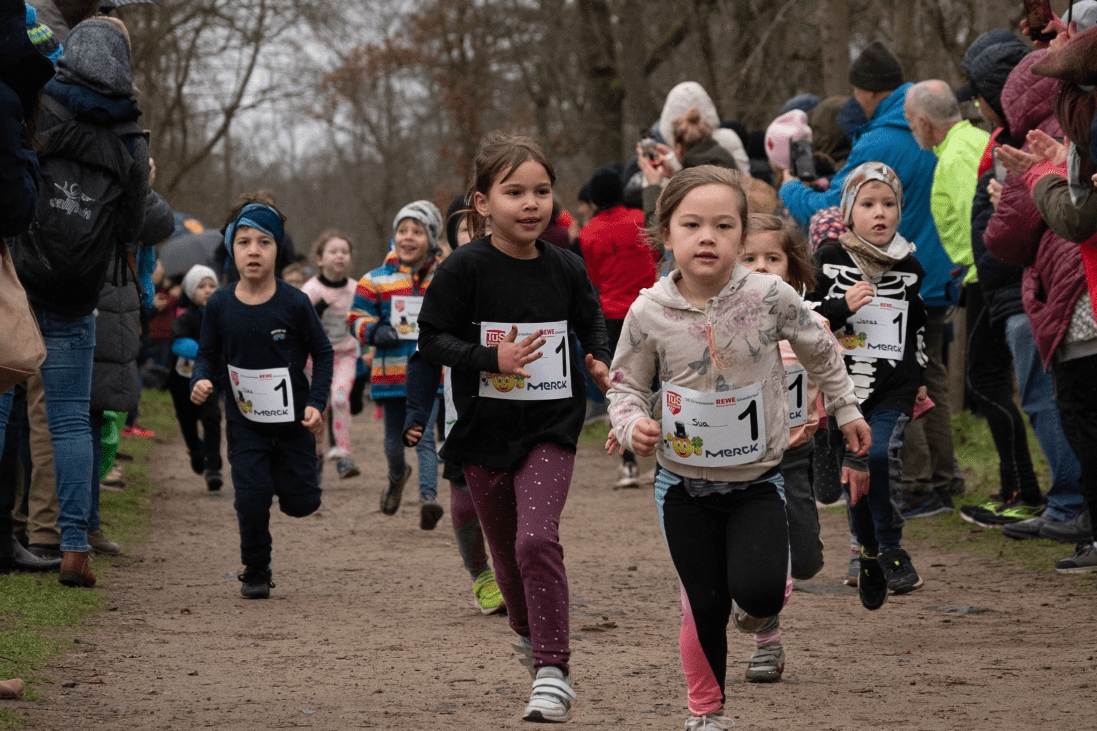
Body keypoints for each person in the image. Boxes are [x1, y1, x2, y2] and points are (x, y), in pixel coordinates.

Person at [605, 165, 867, 730]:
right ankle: (706, 712)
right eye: (692, 225)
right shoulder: (648, 312)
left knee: (760, 590)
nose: (707, 237)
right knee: (702, 602)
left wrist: (845, 407)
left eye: (723, 226)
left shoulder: (768, 295)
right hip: (682, 485)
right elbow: (625, 388)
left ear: (743, 236)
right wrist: (632, 427)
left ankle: (759, 606)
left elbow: (821, 346)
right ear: (666, 233)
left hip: (757, 481)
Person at [417, 131, 612, 723]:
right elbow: (431, 341)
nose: (531, 204)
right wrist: (489, 358)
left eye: (542, 191)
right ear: (481, 203)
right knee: (505, 555)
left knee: (536, 539)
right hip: (483, 431)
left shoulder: (566, 266)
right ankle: (532, 639)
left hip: (552, 424)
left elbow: (591, 320)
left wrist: (599, 358)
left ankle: (553, 668)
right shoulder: (463, 269)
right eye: (514, 192)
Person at [781, 43, 963, 521]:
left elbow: (829, 210)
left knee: (893, 373)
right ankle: (944, 480)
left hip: (885, 276)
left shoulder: (879, 141)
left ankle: (918, 484)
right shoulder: (928, 128)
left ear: (864, 92)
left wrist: (789, 187)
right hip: (933, 270)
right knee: (929, 381)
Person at [2, 16, 150, 588]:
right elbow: (132, 224)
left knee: (1, 404)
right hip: (78, 291)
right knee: (68, 421)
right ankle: (73, 549)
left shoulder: (42, 101)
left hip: (21, 273)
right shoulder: (131, 133)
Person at [966, 45, 1088, 536]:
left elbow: (1008, 234)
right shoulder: (1058, 129)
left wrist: (1026, 184)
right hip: (1039, 288)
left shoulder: (1040, 134)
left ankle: (1070, 507)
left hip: (1045, 291)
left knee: (1056, 402)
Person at [990, 20, 1097, 573]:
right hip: (1075, 287)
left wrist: (1039, 179)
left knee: (1077, 411)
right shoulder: (1072, 132)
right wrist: (1057, 164)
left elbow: (1067, 218)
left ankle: (1078, 514)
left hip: (1078, 297)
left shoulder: (1086, 122)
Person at [190, 203, 333, 598]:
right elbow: (206, 355)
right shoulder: (219, 305)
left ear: (277, 251)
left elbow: (323, 353)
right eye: (244, 242)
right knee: (251, 499)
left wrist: (315, 403)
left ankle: (295, 479)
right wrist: (201, 380)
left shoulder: (294, 303)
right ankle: (255, 568)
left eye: (264, 242)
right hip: (245, 421)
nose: (253, 250)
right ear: (232, 250)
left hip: (293, 425)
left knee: (302, 504)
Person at [807, 162, 931, 606]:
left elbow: (918, 325)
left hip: (893, 385)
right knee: (853, 474)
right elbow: (808, 319)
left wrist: (919, 376)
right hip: (842, 389)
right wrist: (842, 305)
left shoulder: (911, 265)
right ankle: (866, 551)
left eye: (888, 203)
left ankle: (893, 546)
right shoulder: (826, 259)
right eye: (868, 204)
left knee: (878, 453)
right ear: (848, 210)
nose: (879, 213)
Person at [347, 200, 445, 529]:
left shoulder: (445, 278)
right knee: (394, 440)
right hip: (390, 374)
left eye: (417, 231)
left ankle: (428, 499)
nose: (407, 237)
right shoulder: (374, 280)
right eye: (402, 230)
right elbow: (356, 318)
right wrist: (375, 331)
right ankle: (397, 474)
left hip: (430, 372)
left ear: (431, 238)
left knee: (426, 437)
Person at [579, 163, 658, 487]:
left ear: (595, 199)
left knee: (621, 384)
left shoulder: (589, 232)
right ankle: (664, 455)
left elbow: (595, 277)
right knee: (658, 381)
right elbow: (656, 254)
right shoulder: (641, 219)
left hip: (613, 315)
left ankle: (628, 463)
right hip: (650, 308)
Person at [301, 229, 360, 479]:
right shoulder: (310, 289)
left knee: (338, 398)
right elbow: (299, 323)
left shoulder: (356, 289)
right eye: (333, 251)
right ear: (320, 259)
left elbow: (364, 320)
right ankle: (316, 455)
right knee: (319, 409)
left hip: (345, 355)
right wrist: (319, 307)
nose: (340, 256)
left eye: (344, 252)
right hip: (315, 358)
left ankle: (343, 454)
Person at [168, 265, 223, 491]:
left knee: (212, 418)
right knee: (188, 422)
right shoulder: (185, 318)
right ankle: (195, 449)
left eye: (212, 285)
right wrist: (204, 351)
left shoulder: (222, 318)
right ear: (191, 291)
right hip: (182, 381)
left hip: (209, 381)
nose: (208, 290)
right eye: (202, 286)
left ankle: (213, 468)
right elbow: (178, 343)